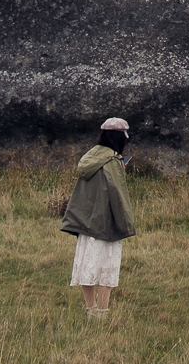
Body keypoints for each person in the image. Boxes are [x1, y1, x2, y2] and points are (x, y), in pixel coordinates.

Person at [61, 116, 138, 317]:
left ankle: (90, 310)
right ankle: (102, 312)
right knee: (107, 267)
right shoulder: (113, 161)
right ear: (119, 138)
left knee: (87, 264)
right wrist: (125, 223)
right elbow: (117, 195)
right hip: (106, 223)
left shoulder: (91, 156)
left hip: (87, 222)